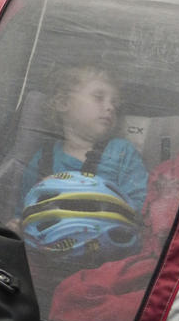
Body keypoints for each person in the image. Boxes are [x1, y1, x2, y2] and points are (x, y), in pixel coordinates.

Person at [17, 63, 148, 219]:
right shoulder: (42, 160)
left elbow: (140, 203)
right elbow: (26, 207)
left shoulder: (121, 151)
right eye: (99, 97)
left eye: (114, 103)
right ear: (63, 103)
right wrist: (19, 224)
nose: (110, 107)